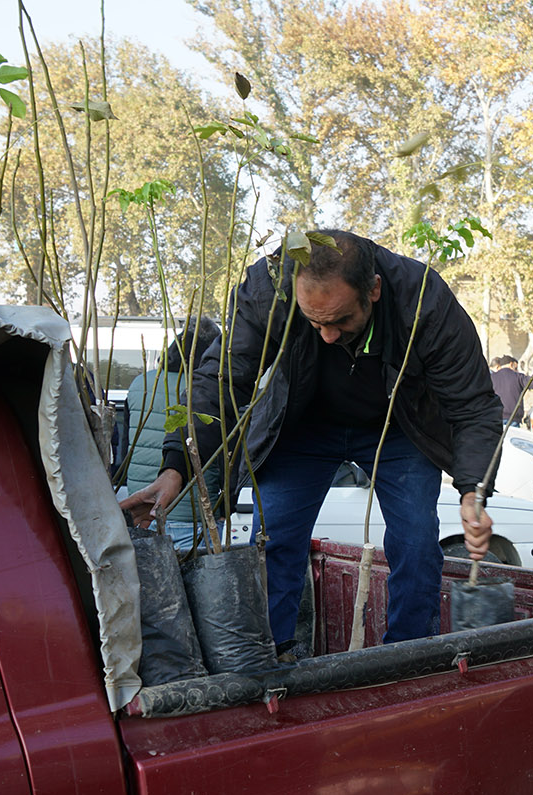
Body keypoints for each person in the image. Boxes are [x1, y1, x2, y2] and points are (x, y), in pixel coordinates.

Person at [120, 231, 503, 652]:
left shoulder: (423, 299)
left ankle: (407, 656)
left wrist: (473, 490)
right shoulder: (269, 289)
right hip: (302, 426)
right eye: (314, 321)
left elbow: (472, 405)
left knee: (415, 540)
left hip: (398, 428)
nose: (327, 336)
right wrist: (177, 469)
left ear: (373, 290)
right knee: (275, 539)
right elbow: (224, 379)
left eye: (340, 320)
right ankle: (272, 654)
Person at [119, 318, 223, 551]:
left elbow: (125, 449)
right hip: (193, 514)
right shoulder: (210, 391)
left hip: (143, 508)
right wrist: (224, 508)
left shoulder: (141, 384)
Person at [490, 354, 530, 425]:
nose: (517, 370)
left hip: (496, 417)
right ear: (511, 364)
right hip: (513, 418)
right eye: (516, 367)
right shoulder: (517, 377)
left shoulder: (492, 378)